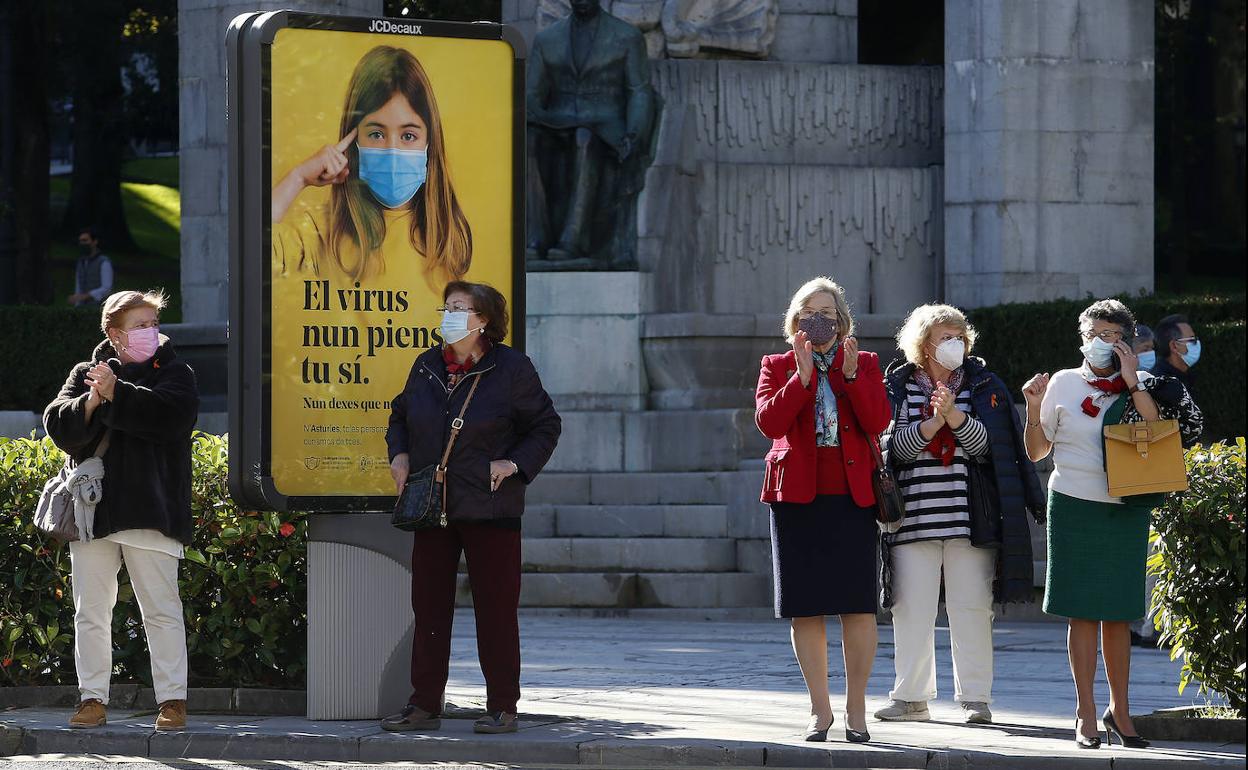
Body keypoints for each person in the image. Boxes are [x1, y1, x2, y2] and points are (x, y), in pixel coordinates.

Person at [381, 281, 560, 735]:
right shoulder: (426, 366)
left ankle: (502, 706)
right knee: (429, 607)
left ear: (482, 321)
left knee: (496, 610)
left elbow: (545, 425)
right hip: (433, 506)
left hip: (492, 507)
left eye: (460, 308)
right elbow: (399, 415)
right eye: (448, 307)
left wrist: (514, 462)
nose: (450, 314)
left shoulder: (512, 368)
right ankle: (424, 704)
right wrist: (398, 454)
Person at [1022, 299, 1201, 750]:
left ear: (1126, 340)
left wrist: (1130, 383)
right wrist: (1033, 407)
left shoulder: (1143, 382)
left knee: (1119, 615)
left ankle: (1120, 711)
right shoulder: (1062, 383)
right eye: (1096, 335)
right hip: (1072, 504)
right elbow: (1037, 451)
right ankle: (1084, 713)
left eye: (1114, 336)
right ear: (1083, 339)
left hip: (1125, 505)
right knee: (1081, 612)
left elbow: (1158, 432)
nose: (1104, 343)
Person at [876, 305, 1045, 726]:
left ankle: (975, 698)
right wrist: (933, 424)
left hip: (972, 520)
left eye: (960, 336)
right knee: (910, 609)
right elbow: (890, 451)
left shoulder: (984, 383)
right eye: (946, 336)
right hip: (911, 520)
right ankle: (911, 697)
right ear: (924, 344)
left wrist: (956, 417)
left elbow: (993, 449)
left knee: (972, 608)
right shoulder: (897, 386)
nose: (956, 344)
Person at [43, 290, 199, 731]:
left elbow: (174, 418)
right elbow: (58, 424)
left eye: (153, 322)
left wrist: (119, 395)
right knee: (90, 610)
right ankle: (91, 698)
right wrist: (93, 401)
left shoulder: (175, 372)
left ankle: (173, 701)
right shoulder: (85, 373)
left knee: (162, 609)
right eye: (140, 325)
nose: (151, 332)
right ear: (114, 334)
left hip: (152, 509)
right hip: (95, 512)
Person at [754, 277, 890, 744]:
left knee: (857, 605)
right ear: (796, 320)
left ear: (842, 320)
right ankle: (819, 709)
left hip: (852, 496)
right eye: (810, 312)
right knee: (805, 608)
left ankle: (856, 707)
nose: (820, 320)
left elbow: (878, 421)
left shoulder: (865, 363)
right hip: (796, 497)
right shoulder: (777, 365)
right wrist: (802, 377)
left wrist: (850, 378)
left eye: (829, 313)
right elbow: (769, 422)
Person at [271, 45, 472, 289]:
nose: (392, 151)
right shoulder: (321, 232)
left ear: (430, 143)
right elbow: (252, 254)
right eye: (377, 134)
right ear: (353, 140)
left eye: (408, 136)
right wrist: (298, 178)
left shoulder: (448, 240)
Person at [1150, 314, 1200, 393]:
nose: (1197, 343)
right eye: (1192, 340)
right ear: (1174, 346)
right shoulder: (1162, 384)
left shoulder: (1185, 376)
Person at [68, 227, 114, 307]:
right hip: (82, 308)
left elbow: (106, 288)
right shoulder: (81, 262)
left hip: (99, 308)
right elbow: (78, 286)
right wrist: (77, 301)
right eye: (81, 241)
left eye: (85, 240)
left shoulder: (104, 262)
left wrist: (86, 296)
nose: (82, 243)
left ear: (94, 241)